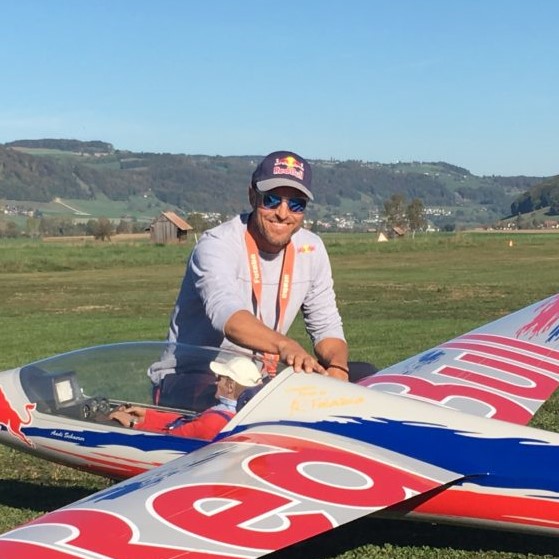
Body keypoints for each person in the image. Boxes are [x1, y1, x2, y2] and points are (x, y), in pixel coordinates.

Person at [151, 150, 349, 385]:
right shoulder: (217, 244)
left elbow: (326, 326)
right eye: (272, 200)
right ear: (252, 196)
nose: (282, 213)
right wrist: (285, 345)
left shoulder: (312, 248)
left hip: (255, 380)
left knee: (364, 373)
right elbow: (227, 316)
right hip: (190, 378)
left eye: (296, 204)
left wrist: (338, 369)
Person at [110, 356, 262, 440]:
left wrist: (133, 423)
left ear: (230, 387)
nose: (216, 382)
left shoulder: (214, 422)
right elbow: (189, 422)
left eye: (220, 378)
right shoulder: (238, 414)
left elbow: (169, 440)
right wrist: (148, 415)